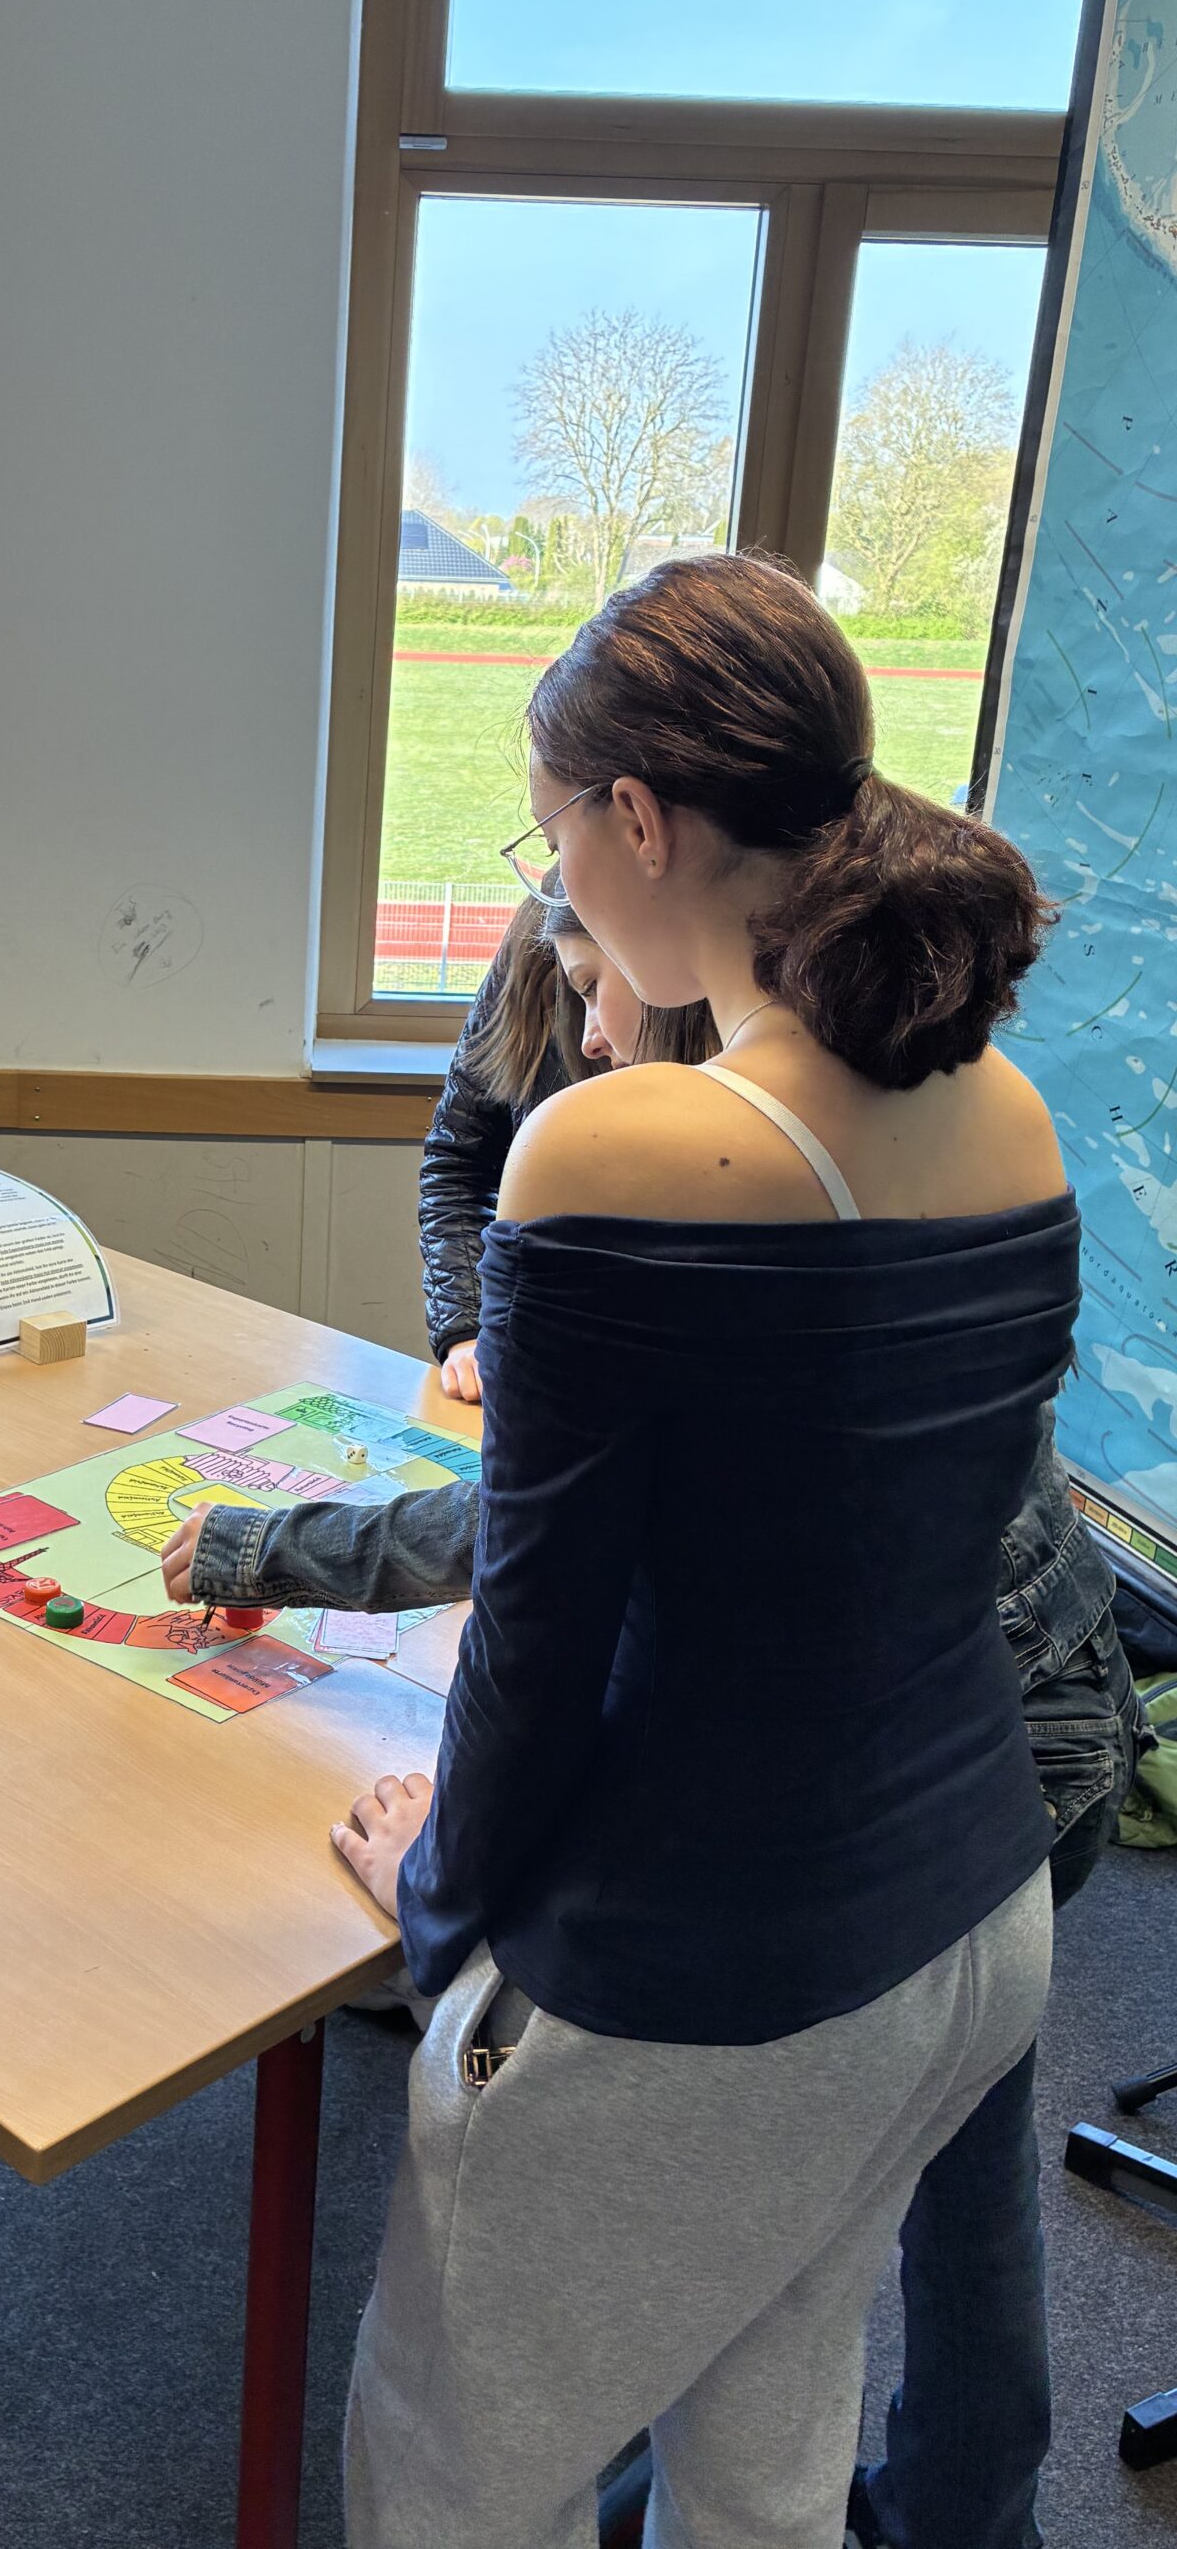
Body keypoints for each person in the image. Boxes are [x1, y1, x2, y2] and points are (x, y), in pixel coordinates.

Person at [229, 550, 1083, 2549]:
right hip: (971, 1927)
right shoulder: (1009, 1107)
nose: (556, 886)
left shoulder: (618, 1149)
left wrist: (444, 1908)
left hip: (718, 1967)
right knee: (765, 2454)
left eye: (554, 835)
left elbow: (541, 1627)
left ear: (637, 818)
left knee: (455, 2481)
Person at [420, 886, 711, 1403]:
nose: (589, 1042)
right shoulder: (539, 932)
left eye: (593, 988)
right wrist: (466, 1329)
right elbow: (458, 1162)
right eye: (581, 992)